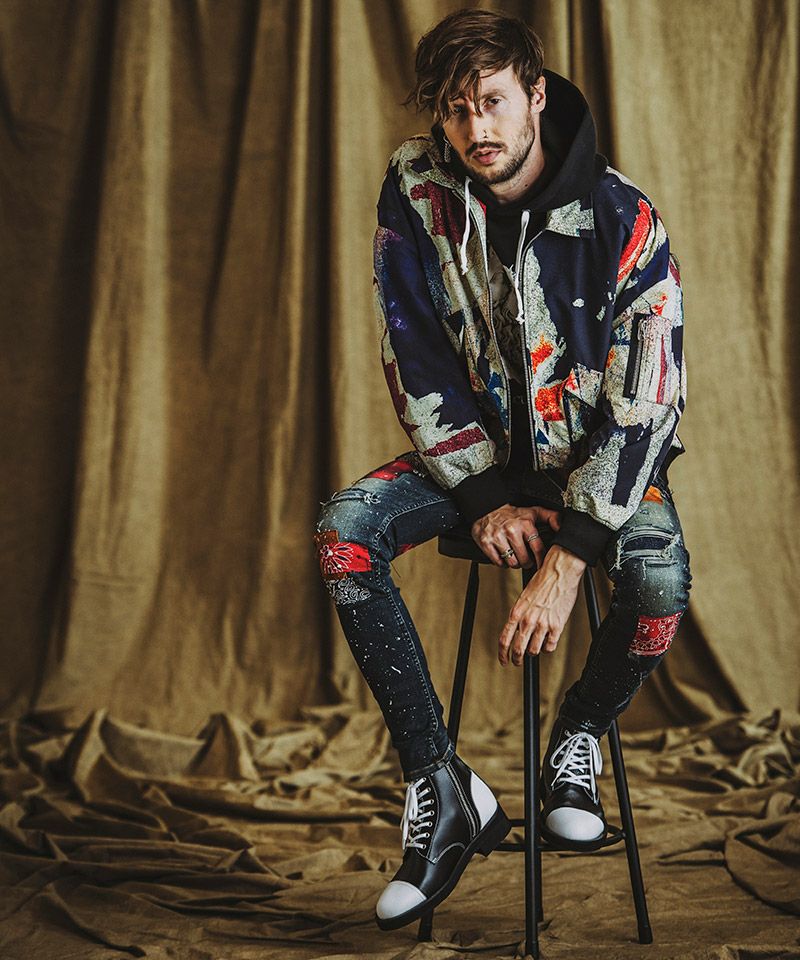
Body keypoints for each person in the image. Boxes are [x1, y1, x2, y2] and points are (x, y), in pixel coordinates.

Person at [313, 8, 692, 932]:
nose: (474, 128)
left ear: (534, 94)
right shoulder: (418, 190)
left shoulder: (623, 220)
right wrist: (480, 496)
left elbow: (649, 402)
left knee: (659, 585)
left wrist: (569, 559)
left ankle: (578, 736)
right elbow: (412, 346)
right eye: (454, 109)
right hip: (470, 463)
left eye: (491, 101)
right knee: (343, 532)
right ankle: (441, 786)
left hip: (595, 469)